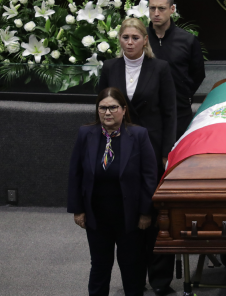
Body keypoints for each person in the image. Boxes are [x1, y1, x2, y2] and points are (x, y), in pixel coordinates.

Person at [98, 17, 177, 295]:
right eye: (125, 37)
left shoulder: (160, 68)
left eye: (135, 38)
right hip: (119, 150)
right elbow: (102, 109)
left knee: (154, 214)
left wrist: (167, 151)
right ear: (119, 40)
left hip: (152, 150)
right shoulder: (110, 67)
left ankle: (160, 280)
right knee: (127, 214)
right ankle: (134, 278)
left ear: (145, 40)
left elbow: (170, 112)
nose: (129, 42)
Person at [67, 87, 158, 296]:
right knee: (99, 266)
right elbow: (75, 174)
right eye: (103, 108)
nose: (107, 113)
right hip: (97, 216)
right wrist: (78, 209)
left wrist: (146, 212)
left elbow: (149, 177)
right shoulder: (85, 134)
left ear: (124, 110)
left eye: (113, 108)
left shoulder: (138, 135)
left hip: (130, 217)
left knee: (132, 268)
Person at [147, 0, 205, 140]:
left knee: (177, 158)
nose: (156, 13)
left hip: (179, 111)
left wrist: (184, 95)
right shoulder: (141, 39)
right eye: (152, 8)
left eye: (161, 8)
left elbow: (198, 73)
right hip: (147, 112)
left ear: (172, 9)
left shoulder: (187, 40)